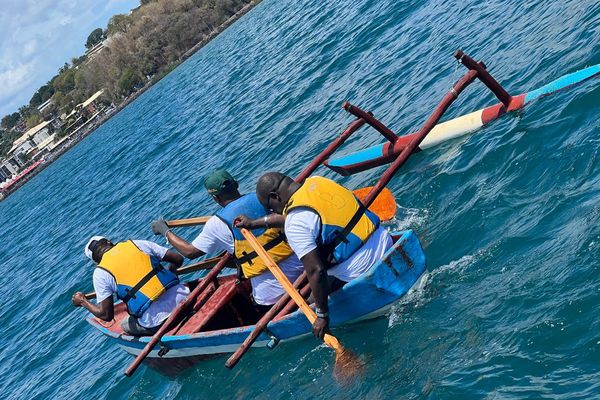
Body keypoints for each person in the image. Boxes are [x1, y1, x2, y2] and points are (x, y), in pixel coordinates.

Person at [236, 172, 393, 339]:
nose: (272, 211)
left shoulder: (295, 223)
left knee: (310, 301)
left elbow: (316, 271)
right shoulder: (318, 181)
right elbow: (301, 218)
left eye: (270, 207)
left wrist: (322, 316)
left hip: (361, 269)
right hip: (386, 242)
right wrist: (254, 223)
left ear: (276, 197)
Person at [150, 169, 303, 312]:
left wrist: (165, 231)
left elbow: (189, 252)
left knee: (250, 302)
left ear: (215, 198)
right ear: (236, 184)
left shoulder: (216, 224)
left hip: (273, 295)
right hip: (305, 269)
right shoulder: (264, 197)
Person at [71, 236, 189, 336]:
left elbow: (106, 315)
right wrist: (171, 273)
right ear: (110, 242)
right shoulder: (137, 244)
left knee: (124, 325)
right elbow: (178, 259)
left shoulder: (100, 272)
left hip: (157, 322)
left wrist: (83, 301)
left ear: (96, 261)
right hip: (185, 297)